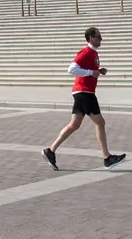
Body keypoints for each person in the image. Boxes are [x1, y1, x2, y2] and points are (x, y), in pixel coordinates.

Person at [43, 27, 126, 171]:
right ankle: (107, 158)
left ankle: (50, 151)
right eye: (98, 36)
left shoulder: (93, 53)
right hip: (85, 92)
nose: (101, 39)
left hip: (82, 92)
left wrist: (98, 71)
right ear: (91, 38)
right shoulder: (86, 52)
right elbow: (71, 69)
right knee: (100, 123)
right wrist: (90, 72)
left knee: (74, 125)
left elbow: (89, 70)